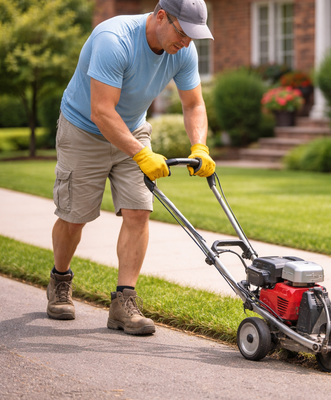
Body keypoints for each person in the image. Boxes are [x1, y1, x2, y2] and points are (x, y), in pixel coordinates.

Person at [46, 0, 215, 335]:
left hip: (133, 127)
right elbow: (101, 111)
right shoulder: (114, 38)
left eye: (193, 37)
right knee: (74, 216)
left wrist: (200, 145)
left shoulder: (182, 51)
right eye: (183, 33)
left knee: (139, 211)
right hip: (84, 128)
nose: (186, 43)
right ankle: (59, 280)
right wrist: (141, 154)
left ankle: (124, 303)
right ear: (161, 16)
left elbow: (194, 103)